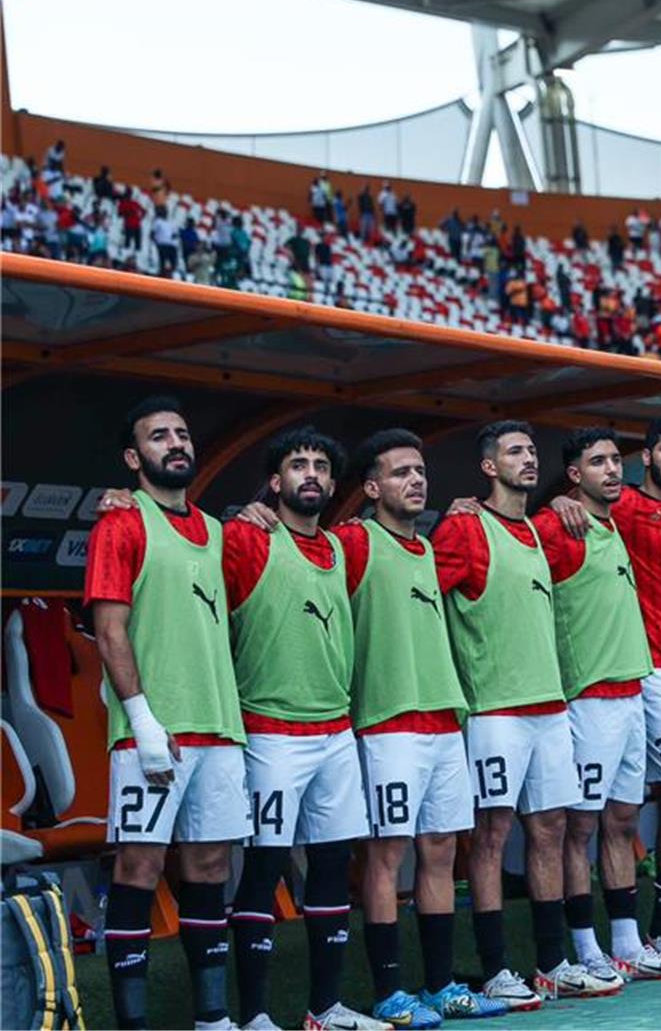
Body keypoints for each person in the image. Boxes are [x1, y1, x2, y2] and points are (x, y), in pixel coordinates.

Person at [433, 421, 609, 1009]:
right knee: (490, 836)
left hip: (550, 707)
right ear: (489, 466)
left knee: (551, 830)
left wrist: (560, 504)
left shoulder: (538, 528)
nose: (529, 459)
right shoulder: (464, 526)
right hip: (495, 711)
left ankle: (552, 965)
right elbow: (418, 595)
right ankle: (494, 971)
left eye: (532, 451)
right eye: (514, 452)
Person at [86, 396, 248, 1031]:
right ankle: (133, 1024)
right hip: (153, 734)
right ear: (134, 458)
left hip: (220, 727)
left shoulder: (216, 530)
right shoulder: (120, 523)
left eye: (182, 433)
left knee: (211, 867)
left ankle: (212, 1017)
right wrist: (142, 720)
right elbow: (109, 632)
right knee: (140, 866)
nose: (176, 443)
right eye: (158, 436)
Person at [340, 430, 505, 1024]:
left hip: (443, 719)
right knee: (386, 855)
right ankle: (389, 991)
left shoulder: (431, 550)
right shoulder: (353, 541)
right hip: (387, 723)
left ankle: (440, 985)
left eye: (420, 471)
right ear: (371, 487)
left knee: (440, 851)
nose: (415, 481)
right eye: (400, 472)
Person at [549, 417, 661, 971]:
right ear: (646, 459)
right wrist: (558, 500)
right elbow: (568, 508)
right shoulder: (620, 506)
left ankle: (631, 943)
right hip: (643, 674)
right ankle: (660, 930)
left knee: (627, 816)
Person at [225, 427, 381, 1030]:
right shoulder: (248, 538)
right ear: (275, 480)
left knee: (333, 865)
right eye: (298, 464)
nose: (310, 473)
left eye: (320, 465)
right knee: (264, 870)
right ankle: (254, 1017)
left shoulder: (342, 547)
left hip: (335, 731)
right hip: (271, 730)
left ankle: (325, 1009)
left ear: (335, 484)